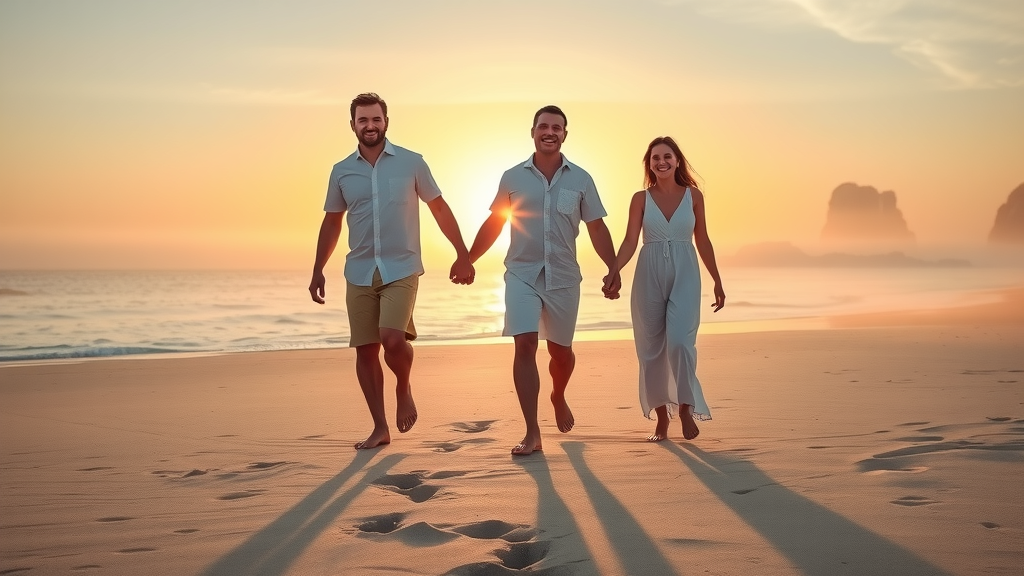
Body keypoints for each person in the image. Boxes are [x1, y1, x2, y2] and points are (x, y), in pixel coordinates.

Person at [309, 93, 475, 450]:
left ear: (386, 121)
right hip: (359, 270)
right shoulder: (342, 171)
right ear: (352, 124)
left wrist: (462, 253)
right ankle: (379, 427)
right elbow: (332, 223)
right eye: (363, 120)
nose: (370, 126)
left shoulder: (412, 163)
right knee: (365, 351)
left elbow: (440, 208)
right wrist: (318, 268)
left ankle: (404, 386)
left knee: (391, 338)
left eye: (376, 119)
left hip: (402, 267)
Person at [467, 105, 617, 455]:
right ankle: (532, 432)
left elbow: (596, 226)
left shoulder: (581, 179)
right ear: (532, 132)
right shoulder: (512, 177)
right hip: (521, 273)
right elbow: (495, 223)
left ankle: (558, 393)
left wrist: (613, 268)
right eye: (543, 127)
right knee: (525, 345)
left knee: (561, 353)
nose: (549, 132)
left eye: (557, 127)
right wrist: (467, 258)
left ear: (565, 134)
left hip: (564, 276)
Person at [602, 136, 725, 442]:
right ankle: (660, 418)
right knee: (650, 349)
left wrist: (717, 280)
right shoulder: (640, 199)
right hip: (648, 272)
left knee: (681, 343)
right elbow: (630, 240)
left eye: (667, 156)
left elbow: (703, 240)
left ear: (677, 160)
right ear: (650, 164)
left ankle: (685, 406)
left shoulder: (693, 196)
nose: (662, 162)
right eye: (655, 158)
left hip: (686, 270)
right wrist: (614, 270)